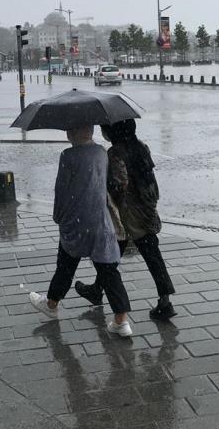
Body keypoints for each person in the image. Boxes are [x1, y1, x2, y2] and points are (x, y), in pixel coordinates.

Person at [29, 124, 133, 337]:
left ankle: (51, 305)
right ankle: (121, 321)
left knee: (66, 264)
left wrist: (58, 216)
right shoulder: (101, 153)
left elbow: (62, 191)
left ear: (73, 133)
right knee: (109, 270)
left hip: (76, 221)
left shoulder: (68, 156)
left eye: (69, 130)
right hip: (100, 221)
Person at [75, 119, 177, 320]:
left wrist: (107, 187)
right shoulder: (141, 147)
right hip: (146, 208)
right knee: (148, 255)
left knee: (116, 254)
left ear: (114, 132)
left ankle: (163, 302)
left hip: (128, 213)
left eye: (106, 129)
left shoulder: (115, 153)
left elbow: (120, 185)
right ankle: (98, 289)